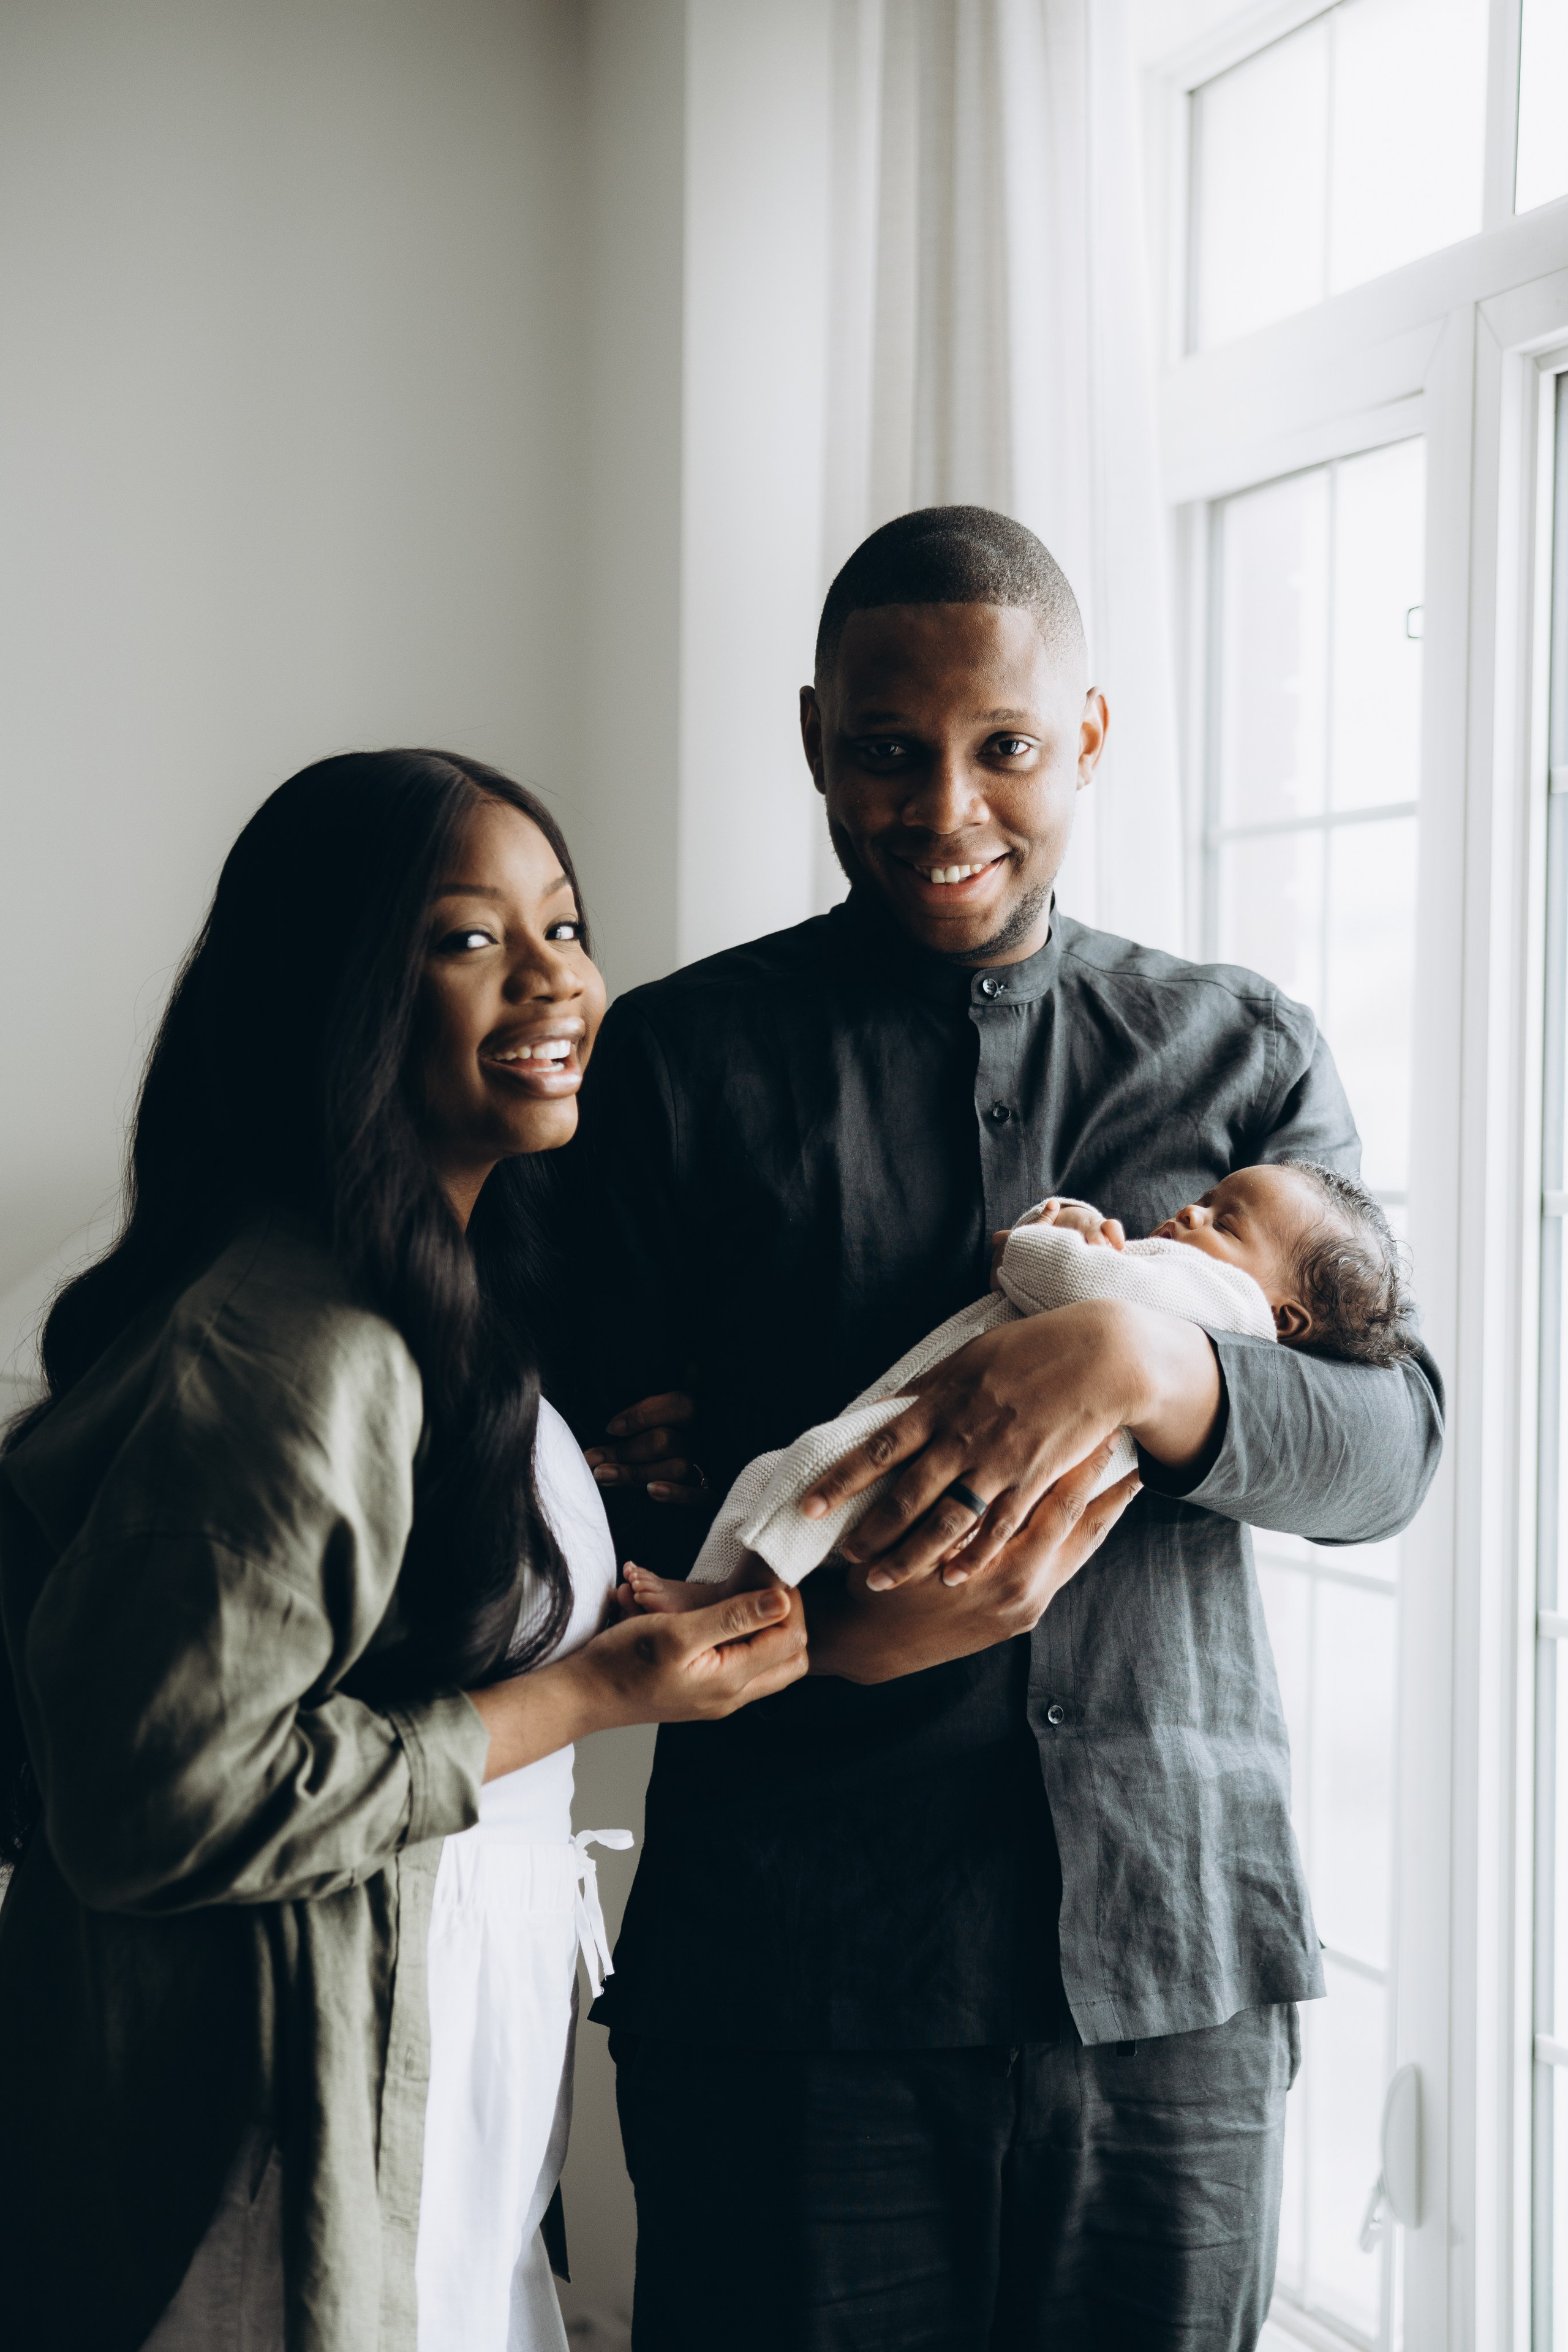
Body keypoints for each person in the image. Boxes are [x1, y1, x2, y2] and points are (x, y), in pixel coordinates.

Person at [565, 507, 1446, 2351]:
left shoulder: (1242, 1052)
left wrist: (1147, 1369)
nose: (943, 807)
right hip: (792, 1975)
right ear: (814, 736)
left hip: (1174, 1978)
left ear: (1091, 738)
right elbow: (561, 1485)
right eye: (886, 752)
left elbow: (1388, 1445)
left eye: (1003, 750)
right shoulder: (670, 1064)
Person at [0, 749, 811, 2352]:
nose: (554, 979)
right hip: (279, 2110)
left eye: (565, 925)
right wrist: (585, 1693)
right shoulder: (308, 1344)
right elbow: (165, 1800)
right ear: (339, 993)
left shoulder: (431, 1304)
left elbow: (332, 1598)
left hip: (432, 2047)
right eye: (467, 938)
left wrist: (534, 1507)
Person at [626, 1161, 1414, 1604]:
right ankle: (730, 1597)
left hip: (938, 1444)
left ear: (1285, 1321)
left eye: (1225, 1221)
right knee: (803, 1490)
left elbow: (1049, 1274)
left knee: (805, 1479)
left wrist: (1045, 1229)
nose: (1190, 1213)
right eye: (1207, 1198)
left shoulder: (1214, 1301)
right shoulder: (1207, 1290)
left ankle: (724, 1601)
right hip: (966, 1477)